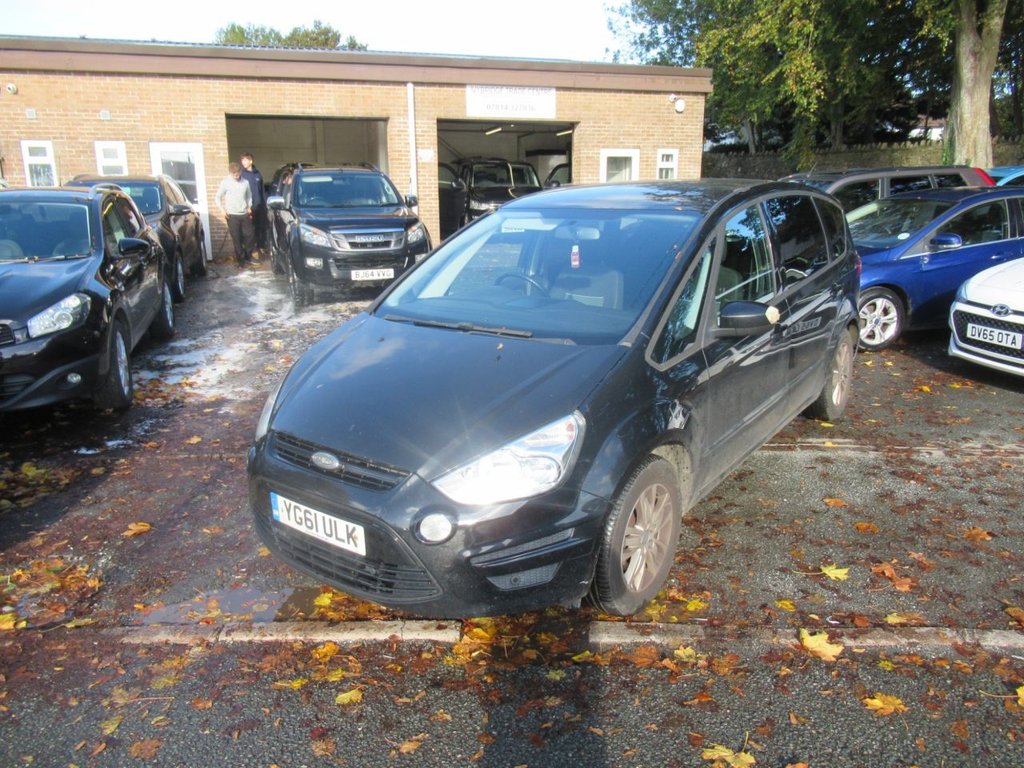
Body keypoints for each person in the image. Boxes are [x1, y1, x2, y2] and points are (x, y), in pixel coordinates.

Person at [215, 162, 255, 266]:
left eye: (237, 173)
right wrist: (222, 210)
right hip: (232, 215)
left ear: (240, 171)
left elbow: (249, 195)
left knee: (250, 236)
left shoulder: (245, 182)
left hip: (244, 213)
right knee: (237, 239)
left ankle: (248, 256)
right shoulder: (225, 183)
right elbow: (217, 197)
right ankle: (241, 261)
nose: (236, 176)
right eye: (234, 174)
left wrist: (249, 206)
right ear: (230, 173)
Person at [240, 152, 267, 257]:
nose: (243, 162)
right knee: (249, 231)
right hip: (249, 208)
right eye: (242, 160)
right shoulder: (242, 175)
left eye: (245, 160)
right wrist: (246, 206)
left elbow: (262, 191)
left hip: (259, 207)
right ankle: (250, 251)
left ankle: (260, 248)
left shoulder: (257, 174)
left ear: (251, 161)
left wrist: (264, 205)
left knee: (260, 228)